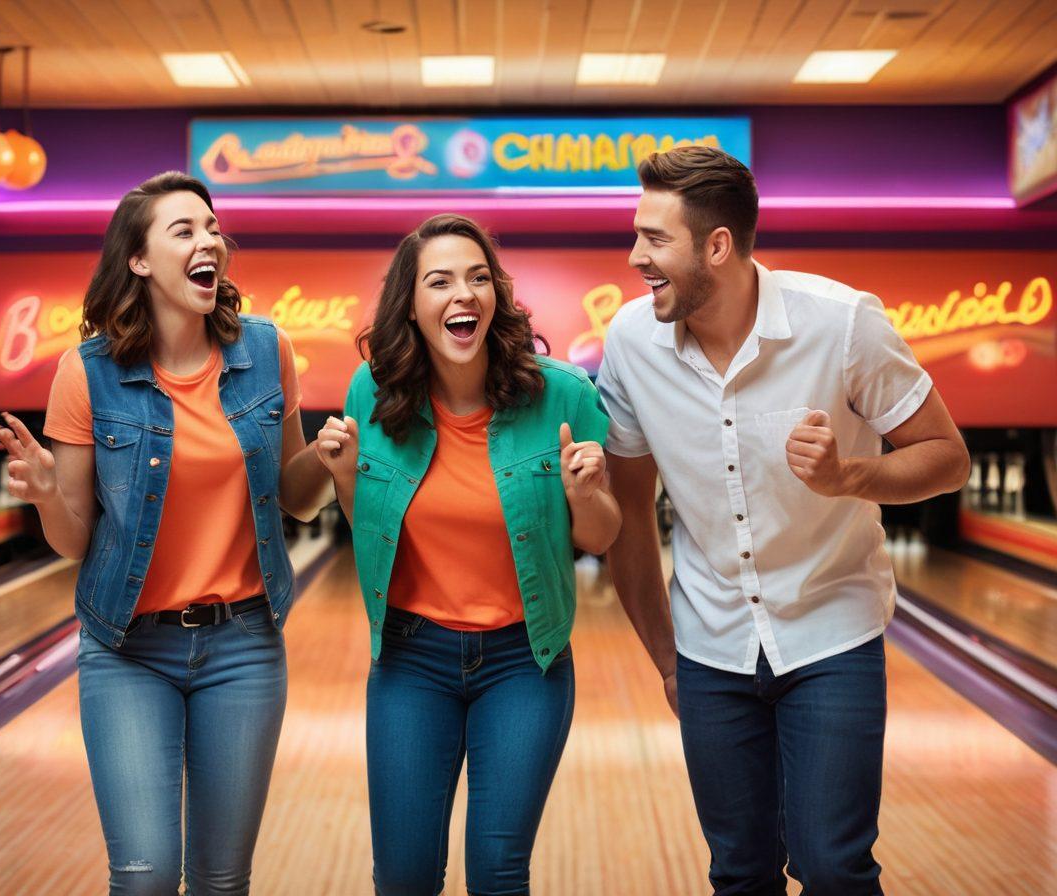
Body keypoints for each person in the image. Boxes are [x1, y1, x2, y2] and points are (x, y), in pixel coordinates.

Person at [598, 146, 970, 896]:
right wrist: (668, 659)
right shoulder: (632, 342)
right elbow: (631, 514)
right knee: (740, 872)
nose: (635, 256)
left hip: (832, 628)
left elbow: (948, 457)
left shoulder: (842, 324)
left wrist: (849, 476)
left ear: (718, 246)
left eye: (654, 238)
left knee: (834, 868)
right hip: (710, 645)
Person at [0, 171, 334, 895]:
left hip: (243, 644)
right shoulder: (87, 374)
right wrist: (49, 494)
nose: (209, 241)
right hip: (127, 649)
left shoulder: (268, 352)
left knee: (219, 879)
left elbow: (296, 503)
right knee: (144, 874)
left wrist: (333, 461)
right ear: (138, 260)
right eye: (185, 230)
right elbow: (75, 539)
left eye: (212, 229)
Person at [314, 214, 620, 896]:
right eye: (441, 281)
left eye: (479, 278)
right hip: (409, 658)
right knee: (405, 875)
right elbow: (372, 522)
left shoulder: (562, 394)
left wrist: (587, 493)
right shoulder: (374, 391)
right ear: (412, 305)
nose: (465, 294)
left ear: (498, 298)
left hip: (523, 661)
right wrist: (342, 475)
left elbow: (599, 537)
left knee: (498, 871)